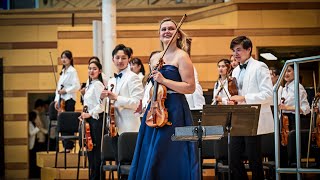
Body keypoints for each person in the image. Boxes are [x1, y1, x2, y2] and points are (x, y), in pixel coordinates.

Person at [128, 17, 199, 180]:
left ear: (178, 34)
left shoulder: (182, 57)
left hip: (175, 110)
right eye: (163, 29)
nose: (167, 31)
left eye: (171, 29)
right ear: (159, 35)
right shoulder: (155, 58)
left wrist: (164, 80)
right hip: (155, 109)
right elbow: (154, 85)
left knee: (171, 151)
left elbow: (190, 87)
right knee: (151, 150)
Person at [228, 36, 274, 180]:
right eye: (234, 50)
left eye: (239, 50)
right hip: (238, 118)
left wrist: (244, 98)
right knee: (233, 157)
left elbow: (268, 94)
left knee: (254, 159)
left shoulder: (260, 66)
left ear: (249, 49)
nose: (236, 53)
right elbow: (237, 94)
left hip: (253, 116)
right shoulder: (235, 71)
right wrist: (231, 101)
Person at [100, 44, 144, 163]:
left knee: (129, 166)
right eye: (117, 57)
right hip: (114, 129)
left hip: (129, 129)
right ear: (113, 59)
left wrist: (117, 97)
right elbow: (108, 108)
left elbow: (138, 103)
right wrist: (102, 99)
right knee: (119, 164)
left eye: (124, 58)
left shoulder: (133, 78)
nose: (120, 61)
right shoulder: (111, 80)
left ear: (129, 59)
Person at [80, 61, 105, 180]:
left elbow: (102, 105)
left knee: (96, 154)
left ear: (99, 71)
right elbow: (89, 103)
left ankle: (97, 177)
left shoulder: (98, 85)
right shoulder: (90, 84)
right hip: (90, 120)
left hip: (96, 121)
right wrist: (84, 114)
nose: (91, 71)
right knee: (91, 152)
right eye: (89, 68)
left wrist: (89, 114)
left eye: (94, 69)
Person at [54, 50, 81, 152]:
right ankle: (66, 146)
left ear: (70, 59)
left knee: (68, 122)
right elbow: (58, 88)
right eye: (62, 57)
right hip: (62, 100)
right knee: (63, 122)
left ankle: (69, 146)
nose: (63, 59)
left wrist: (66, 90)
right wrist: (56, 100)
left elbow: (77, 86)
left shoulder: (72, 71)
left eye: (66, 57)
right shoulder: (63, 72)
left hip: (69, 100)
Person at [28, 111, 47, 178]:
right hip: (32, 144)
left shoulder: (32, 123)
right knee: (32, 160)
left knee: (35, 159)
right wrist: (38, 128)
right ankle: (33, 175)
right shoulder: (29, 123)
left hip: (35, 143)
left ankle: (36, 175)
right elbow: (30, 133)